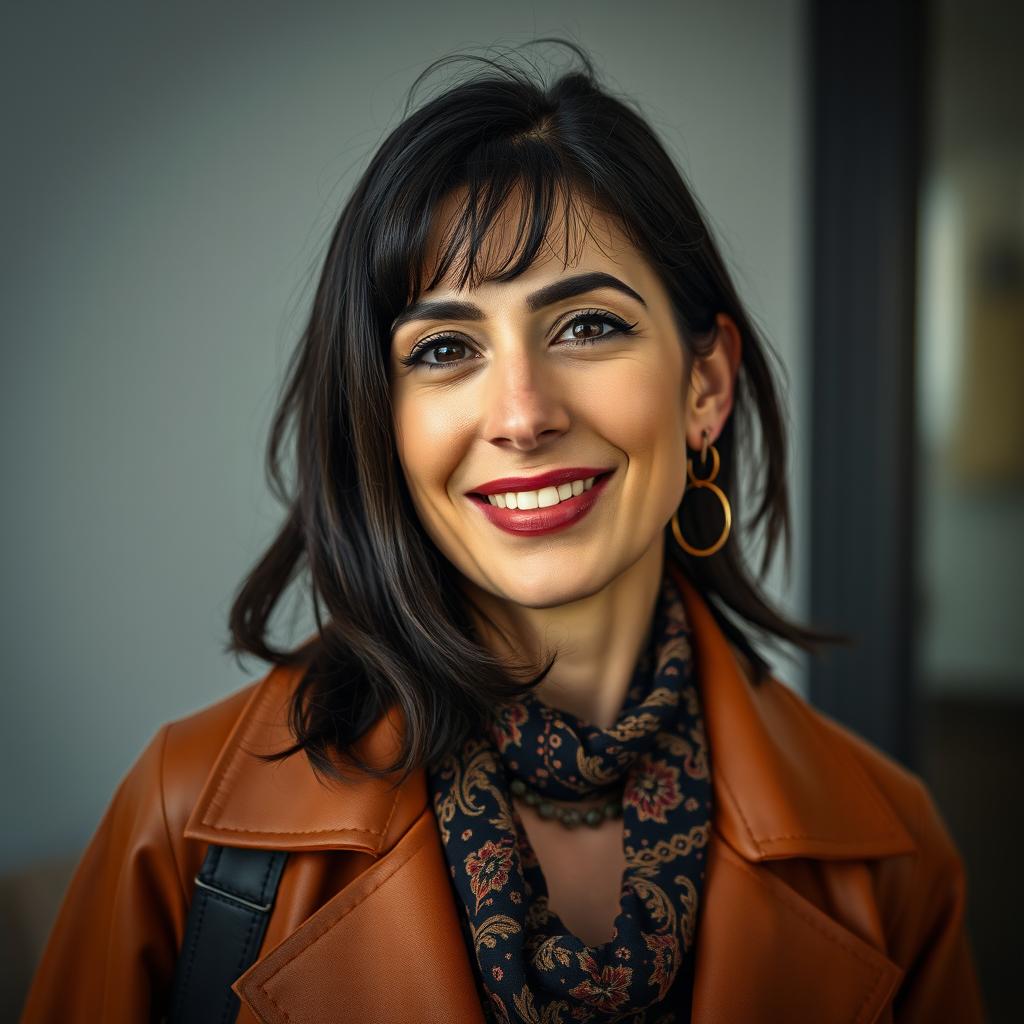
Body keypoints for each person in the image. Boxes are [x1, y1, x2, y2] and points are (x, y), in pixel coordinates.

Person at [21, 40, 985, 1024]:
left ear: (705, 385)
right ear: (382, 422)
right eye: (444, 348)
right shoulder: (181, 819)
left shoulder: (895, 854)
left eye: (586, 327)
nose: (522, 414)